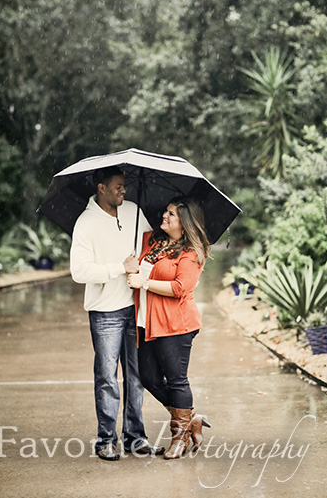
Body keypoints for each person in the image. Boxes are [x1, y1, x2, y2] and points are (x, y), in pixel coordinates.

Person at [69, 166, 163, 461]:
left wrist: (145, 266)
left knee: (136, 376)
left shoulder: (134, 211)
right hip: (105, 313)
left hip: (134, 306)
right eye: (118, 187)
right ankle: (105, 440)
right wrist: (118, 268)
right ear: (101, 188)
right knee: (107, 377)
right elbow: (79, 271)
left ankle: (135, 438)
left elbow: (152, 245)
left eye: (125, 186)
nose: (124, 191)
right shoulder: (85, 223)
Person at [127, 197, 212, 460]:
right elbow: (137, 264)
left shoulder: (191, 253)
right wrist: (130, 264)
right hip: (148, 322)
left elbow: (179, 288)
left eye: (172, 214)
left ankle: (179, 436)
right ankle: (191, 419)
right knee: (149, 377)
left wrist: (144, 283)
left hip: (176, 324)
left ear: (185, 225)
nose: (165, 216)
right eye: (166, 211)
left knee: (177, 380)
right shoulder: (153, 240)